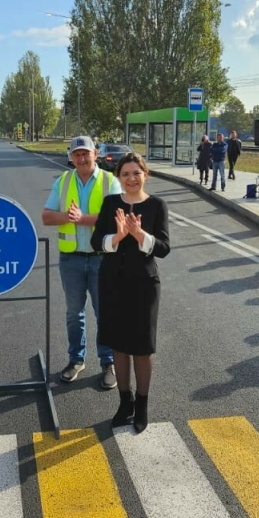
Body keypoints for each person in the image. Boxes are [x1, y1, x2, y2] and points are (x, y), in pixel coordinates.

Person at [92, 152, 171, 433]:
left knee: (142, 346)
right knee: (119, 345)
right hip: (113, 283)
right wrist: (118, 236)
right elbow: (95, 242)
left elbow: (163, 247)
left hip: (144, 286)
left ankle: (142, 403)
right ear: (119, 178)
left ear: (145, 174)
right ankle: (124, 402)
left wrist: (140, 236)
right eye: (125, 174)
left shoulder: (157, 205)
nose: (131, 178)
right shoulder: (111, 203)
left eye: (136, 173)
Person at [42, 136, 121, 389]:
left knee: (105, 314)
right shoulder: (63, 181)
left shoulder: (110, 181)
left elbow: (119, 218)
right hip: (71, 259)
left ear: (95, 154)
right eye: (77, 154)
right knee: (74, 315)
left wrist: (83, 219)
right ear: (71, 157)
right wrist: (67, 216)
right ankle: (76, 360)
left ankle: (108, 362)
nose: (82, 158)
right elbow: (46, 216)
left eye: (85, 153)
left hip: (103, 259)